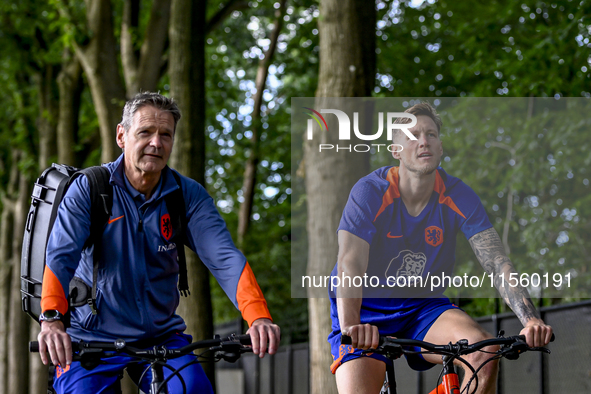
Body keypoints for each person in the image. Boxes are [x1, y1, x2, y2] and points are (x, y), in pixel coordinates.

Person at [37, 92, 280, 393]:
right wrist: (51, 319)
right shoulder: (90, 189)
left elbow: (225, 258)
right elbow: (61, 257)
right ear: (121, 135)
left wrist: (258, 317)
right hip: (91, 337)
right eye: (145, 132)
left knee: (192, 389)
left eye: (166, 134)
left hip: (160, 337)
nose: (156, 143)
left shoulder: (186, 196)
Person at [328, 102, 552, 394]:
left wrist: (531, 319)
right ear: (395, 151)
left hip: (423, 306)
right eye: (412, 135)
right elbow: (350, 262)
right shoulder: (370, 191)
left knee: (483, 354)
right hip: (366, 311)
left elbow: (496, 262)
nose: (423, 141)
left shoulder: (458, 194)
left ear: (440, 146)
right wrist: (351, 327)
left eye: (431, 134)